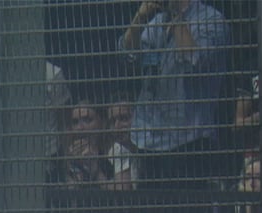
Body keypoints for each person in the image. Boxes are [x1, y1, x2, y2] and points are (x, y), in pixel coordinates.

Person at [118, 0, 229, 188]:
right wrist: (140, 17)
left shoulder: (211, 19)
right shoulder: (157, 22)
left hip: (189, 141)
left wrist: (177, 18)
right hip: (150, 141)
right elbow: (128, 54)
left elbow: (196, 61)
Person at [56, 99, 113, 188]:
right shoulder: (62, 157)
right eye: (75, 122)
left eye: (87, 120)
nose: (80, 128)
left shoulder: (114, 154)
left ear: (102, 123)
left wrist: (94, 168)